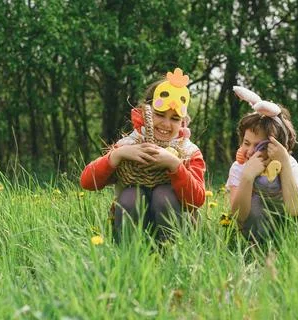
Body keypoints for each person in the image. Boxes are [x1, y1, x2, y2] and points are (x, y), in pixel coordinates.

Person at [80, 68, 206, 243]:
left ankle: (171, 254)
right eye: (160, 115)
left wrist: (175, 165)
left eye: (175, 119)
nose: (166, 124)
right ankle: (129, 255)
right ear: (144, 113)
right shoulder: (131, 144)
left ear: (183, 121)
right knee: (131, 196)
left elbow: (197, 200)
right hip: (132, 224)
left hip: (177, 227)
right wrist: (117, 155)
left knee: (164, 195)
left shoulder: (189, 151)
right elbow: (87, 182)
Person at [226, 86, 298, 242]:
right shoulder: (239, 167)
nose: (250, 151)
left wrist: (285, 164)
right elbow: (238, 216)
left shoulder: (288, 163)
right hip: (259, 227)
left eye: (259, 146)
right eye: (246, 143)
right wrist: (247, 177)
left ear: (277, 146)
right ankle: (259, 248)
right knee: (252, 205)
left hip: (289, 223)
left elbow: (295, 209)